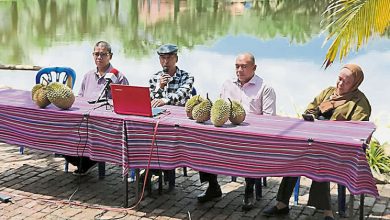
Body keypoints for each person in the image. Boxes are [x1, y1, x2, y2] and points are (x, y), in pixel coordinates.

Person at [263, 64, 371, 220]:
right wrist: (312, 116)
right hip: (314, 141)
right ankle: (282, 204)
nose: (340, 84)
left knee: (319, 160)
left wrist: (332, 127)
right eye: (339, 79)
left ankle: (327, 211)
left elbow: (358, 129)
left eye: (346, 82)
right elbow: (310, 110)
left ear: (355, 84)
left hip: (337, 148)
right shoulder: (328, 92)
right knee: (294, 157)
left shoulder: (360, 102)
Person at [197, 52, 276, 212]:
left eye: (244, 67)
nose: (239, 70)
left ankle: (249, 189)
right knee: (202, 142)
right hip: (227, 135)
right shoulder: (227, 84)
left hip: (252, 139)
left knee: (252, 150)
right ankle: (213, 186)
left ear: (254, 68)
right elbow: (219, 107)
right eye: (237, 66)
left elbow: (270, 121)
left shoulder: (265, 88)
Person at [63, 41, 129, 175]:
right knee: (61, 138)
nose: (99, 57)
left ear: (110, 56)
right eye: (96, 54)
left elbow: (125, 105)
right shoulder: (88, 76)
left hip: (105, 127)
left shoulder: (119, 78)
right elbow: (80, 98)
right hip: (84, 122)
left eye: (103, 54)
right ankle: (85, 161)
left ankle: (92, 159)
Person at [146, 43, 194, 189]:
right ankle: (150, 170)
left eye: (169, 58)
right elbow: (151, 99)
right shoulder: (154, 78)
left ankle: (156, 170)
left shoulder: (187, 77)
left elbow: (181, 95)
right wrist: (160, 87)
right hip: (159, 121)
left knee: (165, 141)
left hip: (178, 123)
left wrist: (164, 100)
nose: (165, 62)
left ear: (176, 59)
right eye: (162, 58)